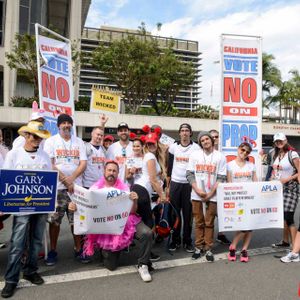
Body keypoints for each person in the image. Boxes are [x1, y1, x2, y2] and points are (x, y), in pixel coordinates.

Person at [69, 161, 154, 282]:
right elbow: (85, 207)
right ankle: (106, 251)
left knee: (147, 233)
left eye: (114, 171)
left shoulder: (125, 189)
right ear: (104, 171)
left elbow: (132, 212)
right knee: (111, 266)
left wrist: (134, 201)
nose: (111, 173)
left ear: (118, 173)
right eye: (109, 170)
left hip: (126, 222)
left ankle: (143, 264)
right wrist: (75, 206)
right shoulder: (94, 189)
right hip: (106, 229)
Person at [1, 121, 51, 298]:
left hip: (40, 206)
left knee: (36, 241)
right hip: (21, 208)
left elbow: (48, 182)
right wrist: (3, 203)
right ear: (26, 136)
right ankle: (11, 280)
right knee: (17, 243)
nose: (37, 139)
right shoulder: (14, 154)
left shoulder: (45, 156)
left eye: (40, 137)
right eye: (35, 136)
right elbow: (6, 181)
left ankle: (30, 271)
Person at [43, 114, 87, 266]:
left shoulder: (79, 142)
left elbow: (83, 164)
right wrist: (64, 179)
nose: (67, 125)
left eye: (69, 123)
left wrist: (72, 179)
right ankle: (53, 250)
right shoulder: (51, 142)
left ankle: (79, 248)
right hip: (58, 187)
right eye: (64, 123)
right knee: (55, 220)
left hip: (76, 188)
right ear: (58, 125)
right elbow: (50, 163)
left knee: (76, 220)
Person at [186, 131, 227, 262]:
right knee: (198, 222)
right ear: (200, 143)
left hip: (213, 196)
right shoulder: (195, 155)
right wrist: (197, 190)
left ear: (211, 140)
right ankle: (198, 247)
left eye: (207, 139)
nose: (205, 141)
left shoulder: (220, 157)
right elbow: (189, 174)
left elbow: (221, 177)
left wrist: (209, 194)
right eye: (202, 140)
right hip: (197, 195)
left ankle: (208, 248)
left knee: (209, 223)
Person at [132, 131, 167, 262]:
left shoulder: (149, 156)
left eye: (153, 143)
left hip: (141, 190)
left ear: (157, 143)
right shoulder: (150, 156)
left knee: (145, 222)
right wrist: (162, 195)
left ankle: (145, 253)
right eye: (149, 143)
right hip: (142, 191)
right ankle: (145, 256)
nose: (151, 145)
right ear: (146, 144)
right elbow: (152, 179)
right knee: (148, 225)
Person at [167, 123, 200, 253]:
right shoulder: (173, 146)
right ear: (179, 133)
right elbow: (169, 166)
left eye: (187, 130)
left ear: (190, 133)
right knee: (175, 214)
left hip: (189, 184)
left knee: (188, 215)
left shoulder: (196, 148)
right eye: (182, 130)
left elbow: (198, 167)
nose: (184, 133)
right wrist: (167, 186)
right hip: (175, 183)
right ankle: (175, 240)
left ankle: (187, 241)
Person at [227, 142, 258, 262]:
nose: (244, 153)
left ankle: (243, 249)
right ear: (238, 148)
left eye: (247, 152)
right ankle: (234, 246)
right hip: (236, 199)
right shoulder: (229, 165)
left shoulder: (251, 166)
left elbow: (255, 182)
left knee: (250, 226)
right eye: (242, 149)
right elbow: (229, 183)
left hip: (250, 198)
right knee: (241, 224)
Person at [270, 133, 299, 248]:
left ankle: (295, 247)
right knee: (283, 217)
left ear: (286, 140)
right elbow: (275, 171)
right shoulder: (276, 155)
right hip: (279, 189)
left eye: (281, 140)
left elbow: (299, 171)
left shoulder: (292, 154)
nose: (279, 143)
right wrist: (272, 178)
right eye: (277, 141)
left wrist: (288, 178)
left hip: (291, 189)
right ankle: (285, 241)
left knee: (289, 217)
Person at [209, 129, 231, 246]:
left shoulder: (223, 154)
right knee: (209, 215)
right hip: (207, 188)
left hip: (221, 188)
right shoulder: (203, 152)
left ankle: (221, 235)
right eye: (212, 137)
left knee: (222, 213)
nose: (214, 139)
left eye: (216, 137)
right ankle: (208, 239)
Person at [82, 114, 108, 189]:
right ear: (92, 134)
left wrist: (102, 124)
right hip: (87, 185)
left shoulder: (103, 149)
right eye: (97, 134)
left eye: (101, 135)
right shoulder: (85, 147)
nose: (99, 137)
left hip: (101, 185)